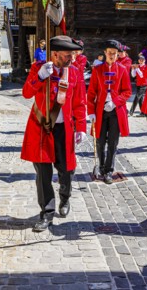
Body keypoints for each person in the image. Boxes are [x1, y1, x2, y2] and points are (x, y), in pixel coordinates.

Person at [21, 36, 86, 232]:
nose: (71, 59)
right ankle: (46, 213)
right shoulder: (39, 69)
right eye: (68, 55)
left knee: (66, 170)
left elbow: (79, 102)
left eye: (73, 55)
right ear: (55, 54)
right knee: (43, 173)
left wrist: (81, 127)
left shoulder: (74, 73)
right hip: (41, 128)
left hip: (64, 129)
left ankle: (65, 198)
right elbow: (26, 93)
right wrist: (39, 77)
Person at [87, 40, 132, 184]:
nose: (112, 55)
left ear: (118, 54)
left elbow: (127, 91)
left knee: (113, 142)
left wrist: (115, 102)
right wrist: (91, 111)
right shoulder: (97, 70)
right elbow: (91, 92)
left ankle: (109, 171)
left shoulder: (122, 69)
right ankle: (100, 166)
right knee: (100, 141)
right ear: (105, 53)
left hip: (115, 111)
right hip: (100, 110)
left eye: (115, 53)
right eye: (109, 52)